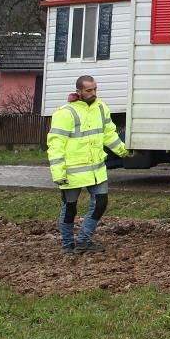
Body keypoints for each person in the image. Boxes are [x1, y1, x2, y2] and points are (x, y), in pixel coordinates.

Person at [47, 75, 127, 253]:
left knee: (100, 204)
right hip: (72, 172)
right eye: (89, 90)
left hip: (96, 169)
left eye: (95, 89)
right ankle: (67, 245)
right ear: (79, 91)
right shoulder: (65, 113)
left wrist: (124, 151)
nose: (93, 93)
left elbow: (109, 135)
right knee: (70, 209)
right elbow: (56, 144)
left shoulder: (101, 108)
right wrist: (58, 173)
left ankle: (83, 241)